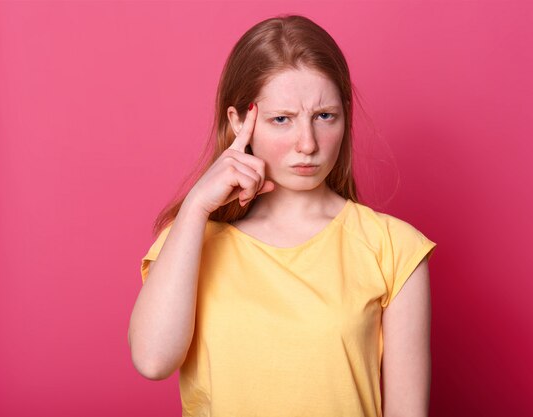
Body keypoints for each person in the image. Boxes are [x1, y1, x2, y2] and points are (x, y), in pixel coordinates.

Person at [128, 14, 437, 417]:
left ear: (345, 116)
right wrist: (196, 207)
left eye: (324, 116)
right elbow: (152, 361)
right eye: (281, 119)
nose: (307, 144)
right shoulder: (191, 239)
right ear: (239, 122)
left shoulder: (395, 249)